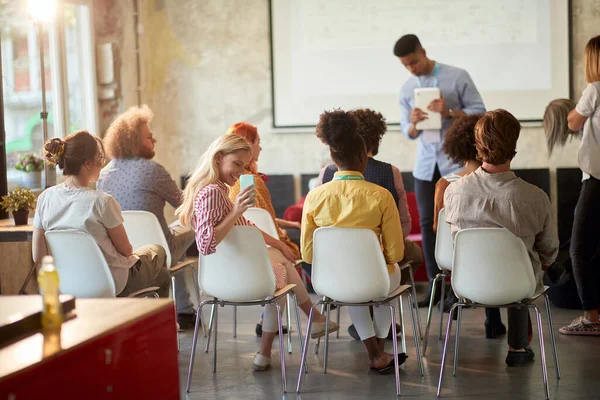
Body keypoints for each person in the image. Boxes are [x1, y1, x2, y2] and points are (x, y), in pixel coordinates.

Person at [175, 134, 338, 371]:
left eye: (244, 166)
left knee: (281, 267)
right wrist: (237, 210)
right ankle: (287, 336)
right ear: (219, 158)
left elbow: (246, 226)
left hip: (226, 276)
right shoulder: (213, 192)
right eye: (237, 164)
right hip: (235, 278)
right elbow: (206, 244)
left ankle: (305, 326)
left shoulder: (216, 189)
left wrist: (280, 244)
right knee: (280, 279)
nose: (241, 173)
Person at [444, 109, 559, 366]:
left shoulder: (454, 193)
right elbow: (549, 249)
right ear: (514, 144)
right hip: (520, 286)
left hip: (468, 283)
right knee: (523, 266)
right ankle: (518, 348)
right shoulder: (535, 197)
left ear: (478, 145)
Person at [302, 109, 407, 374]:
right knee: (383, 289)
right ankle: (379, 351)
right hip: (377, 278)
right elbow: (395, 252)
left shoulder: (314, 197)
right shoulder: (381, 196)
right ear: (363, 157)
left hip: (331, 281)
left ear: (334, 159)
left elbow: (308, 253)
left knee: (352, 289)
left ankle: (376, 353)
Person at [394, 34, 486, 307]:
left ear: (423, 51)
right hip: (425, 165)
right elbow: (406, 132)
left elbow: (480, 113)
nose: (411, 68)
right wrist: (412, 123)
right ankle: (436, 290)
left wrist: (450, 112)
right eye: (406, 65)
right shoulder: (407, 88)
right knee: (427, 225)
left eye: (413, 62)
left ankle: (462, 288)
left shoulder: (457, 76)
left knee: (461, 224)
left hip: (456, 164)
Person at [318, 108, 423, 340]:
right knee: (410, 257)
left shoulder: (324, 178)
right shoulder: (388, 174)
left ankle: (364, 320)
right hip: (381, 258)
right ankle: (379, 309)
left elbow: (313, 244)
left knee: (354, 270)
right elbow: (403, 223)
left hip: (336, 267)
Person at [32, 131, 171, 299]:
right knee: (159, 252)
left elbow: (38, 256)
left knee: (163, 276)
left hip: (68, 285)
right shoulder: (102, 201)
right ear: (89, 163)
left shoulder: (45, 198)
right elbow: (126, 250)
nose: (102, 163)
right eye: (100, 158)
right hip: (114, 283)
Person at [97, 105, 197, 329]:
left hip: (122, 252)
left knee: (172, 231)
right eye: (149, 137)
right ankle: (186, 310)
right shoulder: (153, 170)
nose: (155, 141)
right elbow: (186, 206)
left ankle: (184, 308)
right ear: (134, 141)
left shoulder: (104, 173)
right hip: (158, 250)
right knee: (192, 223)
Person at [433, 114, 505, 336]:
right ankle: (493, 319)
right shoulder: (500, 184)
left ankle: (456, 294)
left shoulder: (445, 184)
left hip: (455, 259)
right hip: (495, 260)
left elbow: (438, 228)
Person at [226, 122, 301, 336]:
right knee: (284, 264)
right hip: (260, 250)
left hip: (240, 252)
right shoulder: (251, 183)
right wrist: (282, 238)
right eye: (258, 142)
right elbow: (259, 222)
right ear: (246, 146)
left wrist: (288, 224)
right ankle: (314, 315)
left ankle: (270, 323)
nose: (261, 148)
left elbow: (255, 217)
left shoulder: (231, 183)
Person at [559, 35, 600, 336]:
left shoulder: (595, 89)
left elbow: (573, 122)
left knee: (579, 249)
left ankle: (591, 318)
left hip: (597, 179)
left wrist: (573, 112)